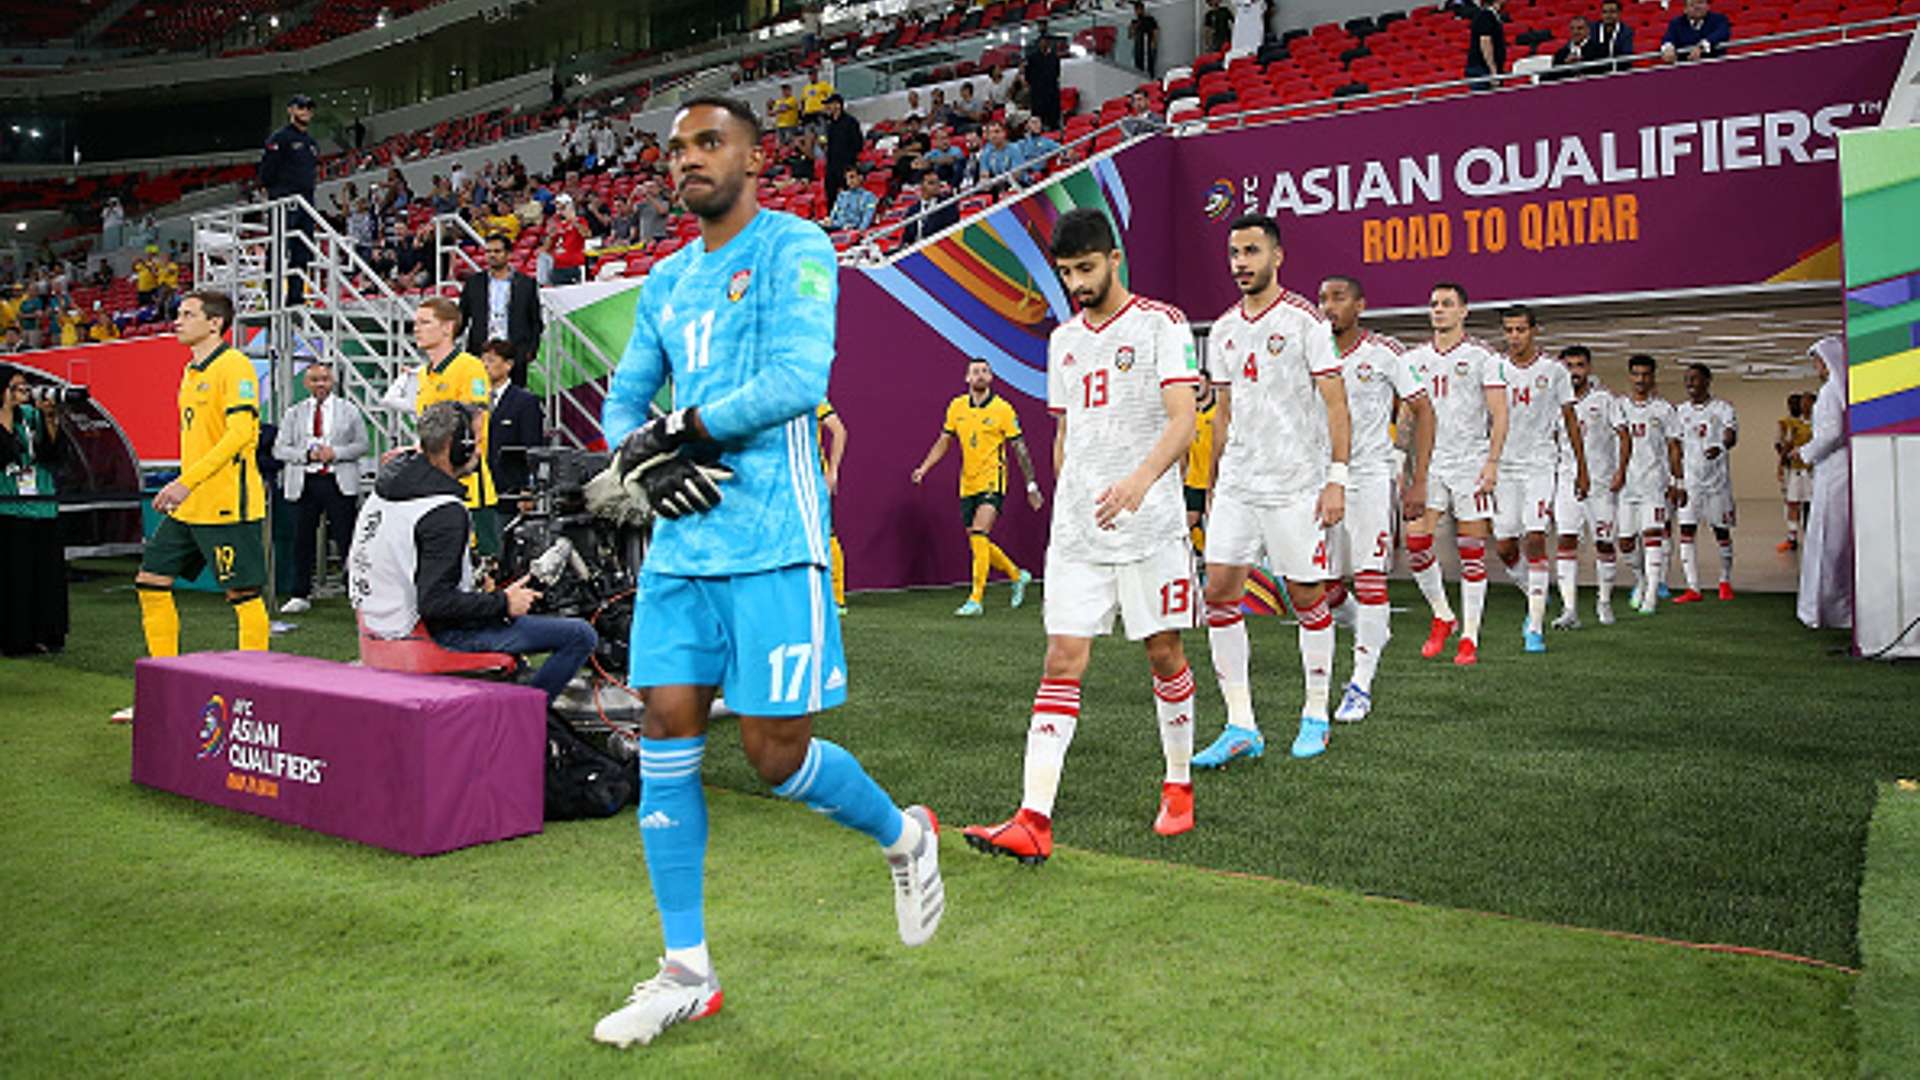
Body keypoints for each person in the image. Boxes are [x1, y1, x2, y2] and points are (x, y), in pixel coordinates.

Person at [591, 97, 944, 1050]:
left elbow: (798, 380)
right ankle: (686, 970)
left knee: (774, 757)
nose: (688, 161)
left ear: (756, 155)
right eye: (675, 151)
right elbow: (624, 397)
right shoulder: (663, 281)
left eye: (710, 143)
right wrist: (641, 452)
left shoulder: (797, 248)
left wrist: (684, 429)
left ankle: (904, 837)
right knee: (662, 735)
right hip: (680, 556)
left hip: (774, 546)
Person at [963, 207, 1203, 861]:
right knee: (1062, 659)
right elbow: (1067, 432)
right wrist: (1071, 489)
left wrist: (1140, 481)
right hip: (1078, 534)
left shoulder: (1163, 324)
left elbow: (1183, 420)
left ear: (1114, 258)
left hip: (1149, 525)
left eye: (1087, 269)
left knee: (1164, 654)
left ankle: (1177, 784)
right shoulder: (1063, 339)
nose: (1079, 284)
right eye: (1068, 273)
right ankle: (1032, 819)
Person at [1188, 214, 1351, 765]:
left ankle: (1315, 713)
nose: (1240, 262)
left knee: (1306, 598)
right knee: (1218, 596)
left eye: (1252, 251)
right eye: (1234, 252)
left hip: (1294, 485)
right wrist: (1211, 481)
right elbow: (1226, 411)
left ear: (1277, 256)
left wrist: (1336, 478)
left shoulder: (1306, 320)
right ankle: (1240, 725)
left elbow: (1335, 403)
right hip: (1238, 483)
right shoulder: (1224, 329)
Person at [349, 400, 597, 699]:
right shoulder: (443, 512)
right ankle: (523, 720)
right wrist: (502, 603)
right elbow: (436, 604)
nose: (480, 451)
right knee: (580, 635)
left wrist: (486, 594)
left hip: (379, 624)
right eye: (477, 441)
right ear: (457, 446)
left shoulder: (386, 489)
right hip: (428, 633)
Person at [1318, 275, 1433, 720]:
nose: (1329, 307)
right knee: (1320, 588)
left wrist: (1418, 479)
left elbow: (1424, 410)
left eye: (1338, 298)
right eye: (1323, 299)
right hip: (1322, 480)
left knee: (1368, 579)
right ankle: (1374, 629)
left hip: (1369, 478)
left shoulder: (1385, 352)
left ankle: (1360, 684)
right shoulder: (1311, 351)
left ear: (1360, 305)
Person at [136, 291, 270, 660]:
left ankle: (254, 683)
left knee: (243, 595)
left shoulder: (235, 366)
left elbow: (242, 434)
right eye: (177, 313)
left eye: (188, 314)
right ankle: (162, 682)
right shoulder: (191, 371)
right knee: (150, 583)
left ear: (215, 323)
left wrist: (185, 481)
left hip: (228, 504)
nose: (177, 321)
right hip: (189, 505)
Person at [1399, 284, 1508, 664]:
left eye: (1447, 304)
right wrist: (1402, 465)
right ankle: (1443, 615)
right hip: (1429, 464)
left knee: (1472, 553)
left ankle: (1470, 637)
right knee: (1415, 544)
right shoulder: (1413, 358)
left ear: (1464, 310)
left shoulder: (1483, 357)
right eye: (1434, 305)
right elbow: (1405, 415)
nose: (1439, 310)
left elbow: (1500, 413)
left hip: (1470, 464)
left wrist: (1492, 463)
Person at [910, 357, 1043, 616]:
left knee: (980, 534)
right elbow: (944, 441)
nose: (980, 375)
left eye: (985, 371)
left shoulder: (1003, 409)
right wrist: (924, 467)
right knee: (977, 540)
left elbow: (1020, 449)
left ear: (991, 378)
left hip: (993, 480)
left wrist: (1031, 485)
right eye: (975, 371)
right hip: (967, 483)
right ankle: (1017, 575)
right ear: (967, 378)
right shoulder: (956, 407)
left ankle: (975, 598)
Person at [1490, 306, 1586, 652]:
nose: (1514, 336)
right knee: (1504, 546)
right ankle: (1534, 590)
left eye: (1520, 330)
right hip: (1504, 467)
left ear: (1534, 331)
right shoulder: (1495, 368)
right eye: (1509, 330)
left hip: (1541, 466)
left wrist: (1582, 468)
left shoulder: (1554, 371)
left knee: (1534, 538)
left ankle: (1534, 624)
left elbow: (1571, 421)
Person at [271, 361, 369, 614]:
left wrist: (334, 453)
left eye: (324, 379)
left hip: (338, 482)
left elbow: (362, 445)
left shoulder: (349, 410)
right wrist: (306, 455)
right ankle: (300, 593)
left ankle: (355, 592)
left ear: (332, 381)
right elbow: (280, 449)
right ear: (306, 383)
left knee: (347, 539)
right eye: (315, 380)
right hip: (304, 482)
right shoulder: (294, 412)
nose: (320, 384)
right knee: (301, 540)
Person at [411, 297, 500, 557]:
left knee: (480, 568)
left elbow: (477, 425)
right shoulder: (423, 374)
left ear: (448, 328)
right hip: (433, 486)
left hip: (467, 486)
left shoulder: (469, 367)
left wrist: (464, 465)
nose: (416, 328)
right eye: (415, 322)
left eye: (425, 322)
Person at [1552, 345, 1626, 626]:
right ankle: (1569, 609)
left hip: (1601, 484)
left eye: (1579, 365)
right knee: (1565, 540)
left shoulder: (1605, 400)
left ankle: (1604, 601)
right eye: (1569, 366)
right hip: (1566, 482)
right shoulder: (1554, 404)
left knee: (1604, 543)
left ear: (1589, 368)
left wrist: (1620, 471)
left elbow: (1624, 435)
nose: (1574, 372)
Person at [0, 367, 67, 654]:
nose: (23, 394)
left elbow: (54, 455)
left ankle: (48, 634)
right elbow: (4, 453)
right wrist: (6, 409)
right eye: (15, 388)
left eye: (25, 388)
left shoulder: (33, 416)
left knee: (47, 577)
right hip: (9, 508)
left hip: (43, 505)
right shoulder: (8, 417)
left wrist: (51, 416)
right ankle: (15, 639)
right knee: (15, 578)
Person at [1612, 354, 1685, 616]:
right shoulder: (1618, 406)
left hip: (1654, 484)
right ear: (1630, 376)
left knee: (1652, 536)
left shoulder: (1665, 409)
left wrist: (1679, 481)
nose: (1641, 379)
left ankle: (1652, 594)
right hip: (1626, 486)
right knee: (1626, 542)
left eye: (1646, 374)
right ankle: (1641, 580)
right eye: (1636, 374)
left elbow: (1675, 447)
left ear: (1653, 376)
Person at [1793, 336, 1850, 630]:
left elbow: (1831, 434)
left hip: (1833, 474)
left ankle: (1823, 611)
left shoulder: (1829, 392)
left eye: (1817, 360)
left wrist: (1804, 453)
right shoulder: (1840, 390)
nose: (1815, 366)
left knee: (1827, 542)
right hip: (1838, 472)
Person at [1672, 363, 1738, 603]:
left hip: (1717, 484)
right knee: (1687, 531)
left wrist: (1720, 446)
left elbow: (1731, 436)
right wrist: (1676, 481)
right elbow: (1675, 448)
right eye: (1687, 379)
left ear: (1708, 381)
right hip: (1690, 483)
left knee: (1721, 530)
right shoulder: (1679, 412)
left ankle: (1724, 581)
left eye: (1695, 379)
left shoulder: (1723, 408)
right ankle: (1693, 587)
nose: (1690, 383)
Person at [258, 94, 320, 305]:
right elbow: (267, 172)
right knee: (278, 248)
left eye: (309, 108)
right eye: (301, 107)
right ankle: (273, 296)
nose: (306, 112)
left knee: (302, 251)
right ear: (291, 110)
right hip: (284, 200)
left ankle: (295, 296)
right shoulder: (280, 138)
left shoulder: (311, 143)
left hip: (306, 203)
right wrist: (277, 192)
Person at [459, 234, 544, 385]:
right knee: (479, 399)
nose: (492, 255)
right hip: (480, 352)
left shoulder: (526, 284)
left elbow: (535, 321)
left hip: (514, 353)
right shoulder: (474, 283)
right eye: (488, 251)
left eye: (497, 251)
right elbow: (462, 317)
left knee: (513, 401)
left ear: (509, 254)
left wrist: (530, 351)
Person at [483, 340, 544, 499]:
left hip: (510, 492)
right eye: (482, 360)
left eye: (491, 360)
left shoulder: (525, 402)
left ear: (508, 365)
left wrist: (528, 489)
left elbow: (532, 447)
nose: (484, 365)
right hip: (479, 491)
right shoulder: (473, 400)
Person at [817, 399, 849, 614]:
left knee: (826, 534)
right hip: (781, 481)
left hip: (812, 478)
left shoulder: (811, 395)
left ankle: (837, 598)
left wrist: (832, 472)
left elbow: (839, 430)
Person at [1183, 370, 1219, 556]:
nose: (1197, 387)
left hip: (1215, 482)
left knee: (1216, 526)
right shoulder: (1188, 416)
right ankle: (1199, 555)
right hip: (1194, 480)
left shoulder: (1218, 414)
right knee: (1188, 523)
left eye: (1201, 383)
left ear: (1210, 385)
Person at [1776, 391, 1812, 553]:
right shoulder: (1787, 423)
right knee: (1792, 503)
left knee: (1811, 504)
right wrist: (1782, 464)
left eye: (1804, 403)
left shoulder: (1816, 423)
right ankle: (1792, 538)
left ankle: (1812, 536)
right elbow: (1782, 445)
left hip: (1813, 470)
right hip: (1795, 469)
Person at [822, 95, 865, 212]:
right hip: (832, 166)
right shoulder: (830, 124)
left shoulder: (850, 122)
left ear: (838, 105)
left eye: (829, 104)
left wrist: (850, 161)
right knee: (831, 195)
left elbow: (858, 144)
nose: (827, 107)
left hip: (846, 164)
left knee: (849, 195)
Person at [1662, 0, 1731, 63]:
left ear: (1707, 6)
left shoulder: (1719, 19)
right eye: (1692, 5)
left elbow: (1722, 33)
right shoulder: (1677, 23)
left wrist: (1701, 47)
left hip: (1715, 64)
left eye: (1700, 2)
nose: (1697, 7)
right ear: (1685, 10)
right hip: (1686, 67)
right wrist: (1668, 48)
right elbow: (1668, 38)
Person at [1023, 22, 1063, 130]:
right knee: (1038, 120)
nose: (1044, 44)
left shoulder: (1054, 58)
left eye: (1046, 42)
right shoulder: (1033, 58)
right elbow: (1028, 75)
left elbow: (1056, 73)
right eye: (1042, 42)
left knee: (1053, 119)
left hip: (1051, 92)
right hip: (1037, 93)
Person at [901, 171, 959, 245]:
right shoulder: (912, 210)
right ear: (921, 185)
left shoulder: (948, 205)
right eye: (931, 183)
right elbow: (907, 236)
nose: (936, 186)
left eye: (938, 183)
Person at [1466, 0, 1508, 92]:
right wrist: (1492, 70)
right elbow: (1485, 43)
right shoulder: (1485, 16)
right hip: (1481, 69)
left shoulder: (1493, 16)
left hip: (1487, 69)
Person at [1544, 16, 1602, 80]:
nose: (1575, 32)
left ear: (1588, 30)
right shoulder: (1560, 54)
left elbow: (1602, 72)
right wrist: (1566, 66)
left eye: (1580, 28)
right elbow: (1553, 77)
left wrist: (1580, 64)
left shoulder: (1599, 49)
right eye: (1572, 29)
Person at [548, 197, 589, 286]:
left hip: (573, 265)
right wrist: (551, 234)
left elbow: (586, 234)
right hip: (557, 267)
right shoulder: (558, 224)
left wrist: (573, 221)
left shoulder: (580, 221)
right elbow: (549, 246)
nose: (558, 210)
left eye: (561, 207)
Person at [827, 166, 879, 231]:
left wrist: (859, 231)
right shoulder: (841, 196)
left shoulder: (869, 197)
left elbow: (867, 218)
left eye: (852, 177)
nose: (849, 181)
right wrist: (829, 221)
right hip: (837, 229)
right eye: (847, 179)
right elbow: (832, 216)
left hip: (854, 232)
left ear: (860, 178)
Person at [1591, 0, 1635, 73]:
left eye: (1612, 12)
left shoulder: (1626, 32)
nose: (1608, 15)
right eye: (1605, 12)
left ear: (1619, 13)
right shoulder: (1592, 29)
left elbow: (1626, 57)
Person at [1130, 1, 1160, 75]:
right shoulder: (1134, 22)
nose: (1137, 12)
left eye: (1139, 9)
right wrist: (1132, 29)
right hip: (1138, 47)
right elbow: (1131, 35)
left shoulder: (1149, 19)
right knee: (1139, 66)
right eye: (1136, 10)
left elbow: (1155, 31)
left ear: (1143, 9)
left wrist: (1154, 42)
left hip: (1148, 45)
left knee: (1150, 65)